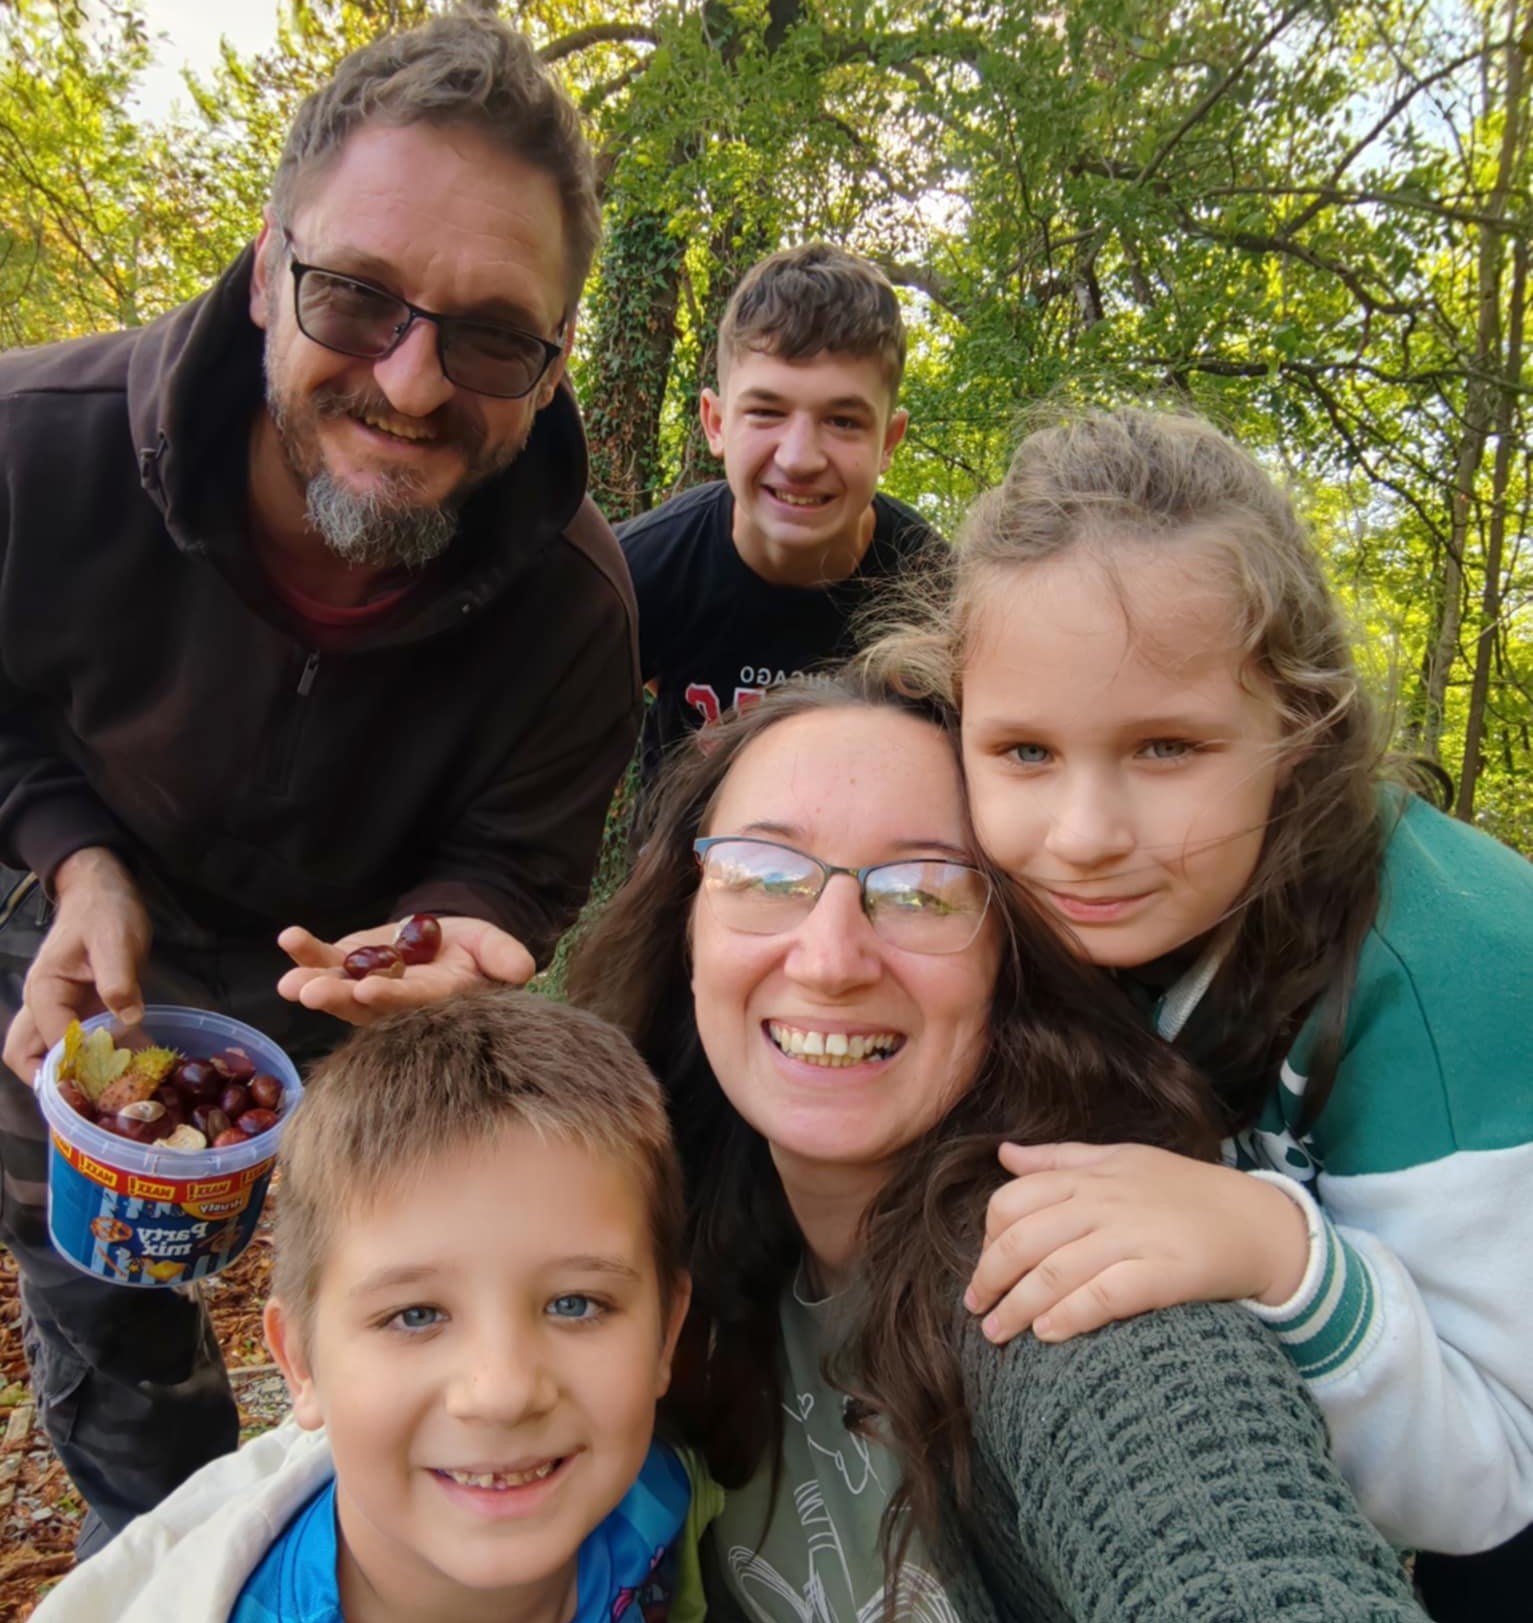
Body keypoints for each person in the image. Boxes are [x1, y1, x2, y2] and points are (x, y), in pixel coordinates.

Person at [0, 14, 641, 1542]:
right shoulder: (32, 454)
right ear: (270, 259)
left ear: (552, 368)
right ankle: (153, 1544)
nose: (414, 385)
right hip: (72, 964)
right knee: (115, 1337)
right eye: (359, 296)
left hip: (355, 1019)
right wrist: (74, 856)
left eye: (491, 335)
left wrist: (457, 932)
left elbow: (518, 861)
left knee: (375, 1365)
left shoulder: (578, 610)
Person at [567, 672, 1429, 1621]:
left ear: (1010, 958)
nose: (829, 958)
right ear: (687, 922)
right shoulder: (668, 1232)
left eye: (923, 894)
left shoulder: (1061, 1280)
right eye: (766, 875)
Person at [884, 406, 1532, 1614]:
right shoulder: (1102, 898)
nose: (1083, 837)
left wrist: (1273, 1249)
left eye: (1167, 748)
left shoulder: (1459, 977)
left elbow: (1496, 1480)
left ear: (1299, 726)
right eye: (1024, 752)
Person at [31, 987, 720, 1623]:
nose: (504, 1392)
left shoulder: (661, 1500)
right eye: (415, 1314)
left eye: (576, 1302)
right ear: (300, 1363)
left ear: (666, 1333)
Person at [617, 243, 940, 793]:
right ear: (716, 422)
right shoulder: (637, 571)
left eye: (842, 421)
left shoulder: (936, 598)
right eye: (766, 412)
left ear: (889, 441)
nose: (798, 458)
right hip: (684, 873)